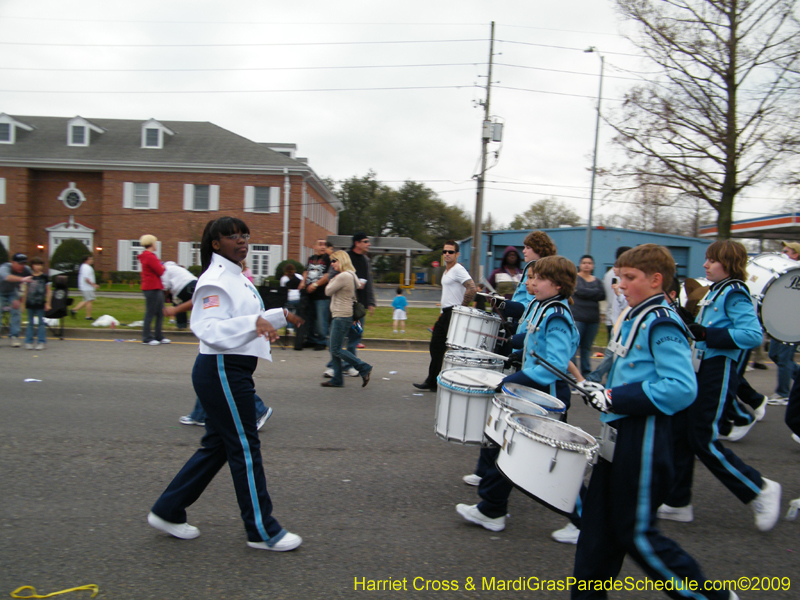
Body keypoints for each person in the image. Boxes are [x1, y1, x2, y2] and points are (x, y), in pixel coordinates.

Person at [573, 244, 733, 600]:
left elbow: (680, 387)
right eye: (619, 277)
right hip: (616, 435)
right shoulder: (634, 316)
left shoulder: (662, 321)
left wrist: (615, 398)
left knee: (638, 534)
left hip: (643, 438)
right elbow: (624, 369)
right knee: (597, 531)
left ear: (656, 280)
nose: (621, 285)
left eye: (630, 278)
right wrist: (597, 385)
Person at [148, 216, 304, 552]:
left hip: (232, 369)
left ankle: (167, 510)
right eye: (232, 236)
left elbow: (243, 320)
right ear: (215, 244)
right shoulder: (216, 279)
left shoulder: (236, 276)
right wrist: (258, 321)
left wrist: (278, 317)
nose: (241, 240)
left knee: (218, 446)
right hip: (222, 369)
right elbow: (209, 329)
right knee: (245, 447)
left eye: (244, 234)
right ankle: (262, 530)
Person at [659, 240, 781, 532]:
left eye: (711, 260)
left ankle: (759, 489)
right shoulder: (717, 291)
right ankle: (677, 502)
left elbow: (752, 335)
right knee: (681, 432)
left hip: (718, 370)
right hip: (700, 368)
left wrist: (708, 334)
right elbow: (704, 331)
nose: (705, 265)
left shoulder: (735, 292)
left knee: (702, 437)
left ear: (727, 263)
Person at [456, 256, 579, 533]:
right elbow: (536, 345)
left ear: (558, 284)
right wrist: (514, 351)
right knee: (506, 445)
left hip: (547, 394)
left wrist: (515, 379)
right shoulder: (544, 307)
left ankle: (586, 522)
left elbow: (556, 364)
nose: (532, 283)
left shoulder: (557, 315)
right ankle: (492, 508)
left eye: (539, 279)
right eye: (531, 278)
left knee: (553, 463)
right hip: (532, 390)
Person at [413, 240, 476, 391]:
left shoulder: (458, 269)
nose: (447, 254)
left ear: (457, 254)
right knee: (437, 348)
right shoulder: (447, 270)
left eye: (450, 252)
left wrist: (461, 309)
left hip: (453, 313)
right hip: (445, 313)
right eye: (444, 252)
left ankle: (439, 381)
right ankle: (433, 381)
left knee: (444, 348)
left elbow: (472, 288)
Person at [320, 250, 373, 388]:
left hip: (341, 316)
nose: (332, 264)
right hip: (344, 315)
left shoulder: (343, 276)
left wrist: (331, 279)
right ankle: (337, 379)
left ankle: (363, 367)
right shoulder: (351, 275)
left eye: (334, 261)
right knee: (334, 348)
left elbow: (327, 291)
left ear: (342, 260)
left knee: (336, 349)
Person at [765, 241, 799, 405]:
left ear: (796, 254)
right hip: (781, 320)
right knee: (774, 355)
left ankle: (783, 393)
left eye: (787, 251)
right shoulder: (785, 272)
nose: (783, 253)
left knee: (785, 359)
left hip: (793, 321)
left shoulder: (796, 272)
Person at [572, 254, 605, 378]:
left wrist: (586, 293)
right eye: (584, 262)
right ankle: (574, 375)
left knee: (586, 348)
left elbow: (602, 295)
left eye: (589, 263)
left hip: (593, 320)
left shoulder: (597, 281)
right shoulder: (575, 279)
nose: (587, 265)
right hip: (578, 318)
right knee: (574, 348)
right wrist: (592, 293)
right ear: (580, 265)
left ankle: (586, 375)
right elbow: (578, 291)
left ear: (593, 266)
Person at [297, 239, 332, 351]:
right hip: (309, 294)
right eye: (320, 244)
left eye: (324, 245)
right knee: (309, 318)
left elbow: (327, 275)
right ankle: (311, 339)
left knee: (321, 319)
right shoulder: (311, 259)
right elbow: (306, 271)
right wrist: (303, 282)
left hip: (322, 294)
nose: (322, 247)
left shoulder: (328, 259)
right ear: (314, 246)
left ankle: (321, 341)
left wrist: (315, 284)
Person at [138, 235, 170, 346]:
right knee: (150, 312)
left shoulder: (148, 256)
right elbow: (160, 271)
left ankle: (159, 336)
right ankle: (147, 337)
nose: (156, 245)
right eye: (155, 243)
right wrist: (163, 267)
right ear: (151, 243)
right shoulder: (150, 256)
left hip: (156, 286)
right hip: (151, 287)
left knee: (160, 313)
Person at [0, 253, 33, 347]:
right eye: (19, 264)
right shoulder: (4, 268)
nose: (22, 266)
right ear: (13, 263)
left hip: (12, 292)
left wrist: (20, 298)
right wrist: (23, 279)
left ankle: (14, 336)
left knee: (16, 310)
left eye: (24, 264)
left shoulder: (26, 269)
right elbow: (8, 277)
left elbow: (33, 279)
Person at [22, 257, 51, 350]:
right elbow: (25, 290)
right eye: (36, 265)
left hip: (40, 302)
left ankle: (41, 341)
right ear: (32, 266)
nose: (38, 267)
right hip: (30, 302)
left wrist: (48, 303)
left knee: (41, 323)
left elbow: (49, 291)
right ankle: (28, 341)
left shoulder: (45, 277)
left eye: (40, 265)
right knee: (30, 323)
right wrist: (23, 303)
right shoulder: (29, 276)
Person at [601, 246, 631, 337]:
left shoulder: (610, 275)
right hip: (615, 322)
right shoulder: (615, 276)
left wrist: (618, 295)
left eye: (616, 266)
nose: (614, 269)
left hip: (620, 323)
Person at [161, 261, 197, 330]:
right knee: (196, 304)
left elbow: (165, 286)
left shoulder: (165, 269)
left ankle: (181, 326)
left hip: (182, 288)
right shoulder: (178, 268)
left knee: (177, 304)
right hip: (194, 284)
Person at [71, 255, 99, 321]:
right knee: (89, 300)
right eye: (90, 259)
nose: (92, 260)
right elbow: (86, 278)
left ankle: (74, 310)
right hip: (87, 287)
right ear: (86, 260)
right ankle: (88, 316)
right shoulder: (86, 267)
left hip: (86, 287)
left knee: (86, 300)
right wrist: (93, 284)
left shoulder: (85, 267)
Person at [280, 264, 303, 331]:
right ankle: (298, 329)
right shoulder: (299, 276)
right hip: (299, 298)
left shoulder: (283, 279)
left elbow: (283, 290)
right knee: (298, 315)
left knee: (289, 314)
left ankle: (289, 329)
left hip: (289, 299)